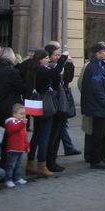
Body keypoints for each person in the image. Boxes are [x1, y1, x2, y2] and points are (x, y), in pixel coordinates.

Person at [24, 48, 69, 177]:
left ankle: (30, 162)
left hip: (36, 105)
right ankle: (41, 165)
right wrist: (63, 59)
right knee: (44, 136)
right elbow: (56, 71)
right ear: (40, 59)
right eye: (46, 58)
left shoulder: (32, 69)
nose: (48, 60)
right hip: (45, 106)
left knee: (36, 135)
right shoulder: (42, 70)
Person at [81, 42, 105, 169]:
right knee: (97, 134)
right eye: (104, 51)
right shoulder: (94, 67)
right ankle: (95, 160)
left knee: (100, 134)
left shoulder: (97, 65)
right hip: (98, 107)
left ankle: (99, 157)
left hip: (98, 107)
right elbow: (97, 88)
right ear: (98, 53)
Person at [44, 42, 74, 172]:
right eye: (55, 55)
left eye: (58, 55)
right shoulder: (49, 68)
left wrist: (70, 65)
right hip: (53, 106)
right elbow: (56, 81)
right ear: (49, 56)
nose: (57, 57)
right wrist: (63, 62)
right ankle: (49, 161)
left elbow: (67, 79)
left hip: (59, 105)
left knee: (56, 135)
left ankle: (53, 160)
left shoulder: (57, 67)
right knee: (52, 136)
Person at [3, 103, 29, 188]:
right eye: (21, 113)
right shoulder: (11, 121)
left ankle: (17, 178)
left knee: (18, 165)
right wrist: (22, 124)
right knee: (11, 165)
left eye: (24, 113)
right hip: (13, 148)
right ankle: (8, 179)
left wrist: (27, 146)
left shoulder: (21, 124)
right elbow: (12, 129)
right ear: (14, 114)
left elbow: (24, 136)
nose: (23, 115)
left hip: (20, 148)